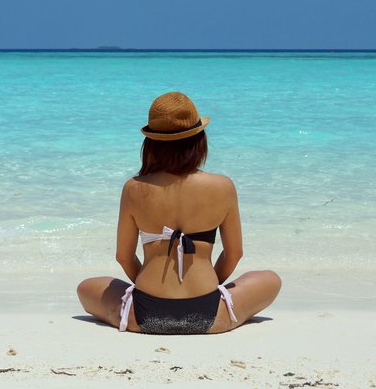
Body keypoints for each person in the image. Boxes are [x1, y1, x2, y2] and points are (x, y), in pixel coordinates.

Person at [77, 91, 281, 334]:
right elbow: (234, 254)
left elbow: (124, 257)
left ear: (151, 144)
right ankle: (214, 307)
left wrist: (152, 289)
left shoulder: (135, 188)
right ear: (199, 141)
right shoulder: (222, 186)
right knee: (270, 279)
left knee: (86, 287)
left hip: (144, 313)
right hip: (209, 312)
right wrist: (207, 287)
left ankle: (139, 311)